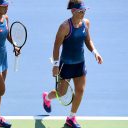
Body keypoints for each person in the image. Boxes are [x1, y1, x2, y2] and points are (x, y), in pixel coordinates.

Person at [42, 0, 103, 128]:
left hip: (80, 64)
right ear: (73, 11)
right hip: (66, 65)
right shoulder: (64, 27)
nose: (83, 13)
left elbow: (88, 40)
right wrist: (55, 65)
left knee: (80, 90)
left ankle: (71, 118)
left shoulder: (86, 23)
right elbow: (56, 46)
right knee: (62, 93)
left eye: (84, 10)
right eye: (81, 11)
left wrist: (95, 52)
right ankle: (47, 97)